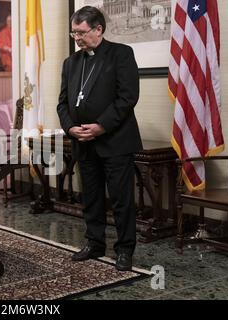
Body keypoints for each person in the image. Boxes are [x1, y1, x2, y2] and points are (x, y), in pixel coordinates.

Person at [57, 6, 141, 271]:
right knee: (91, 197)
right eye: (74, 33)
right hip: (83, 143)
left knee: (121, 199)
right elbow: (62, 103)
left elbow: (127, 97)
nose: (77, 38)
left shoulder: (121, 54)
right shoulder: (71, 63)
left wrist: (100, 127)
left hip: (115, 141)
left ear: (98, 29)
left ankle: (125, 249)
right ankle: (94, 243)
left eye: (81, 32)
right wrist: (71, 128)